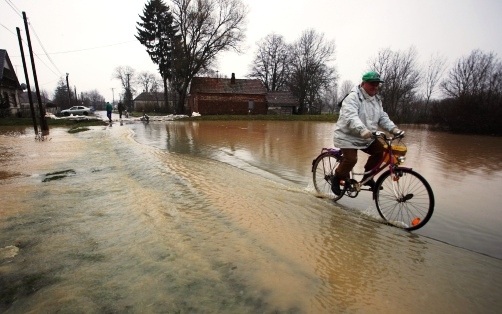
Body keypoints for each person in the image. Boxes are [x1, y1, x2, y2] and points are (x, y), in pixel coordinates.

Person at [331, 71, 403, 195]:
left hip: (367, 136)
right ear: (363, 83)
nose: (375, 87)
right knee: (351, 159)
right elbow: (351, 117)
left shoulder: (376, 100)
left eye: (377, 85)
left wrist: (394, 129)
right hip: (347, 137)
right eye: (372, 84)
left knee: (381, 150)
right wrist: (362, 130)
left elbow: (382, 117)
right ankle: (336, 178)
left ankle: (367, 178)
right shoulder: (352, 98)